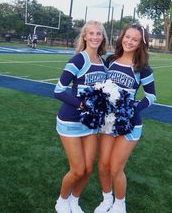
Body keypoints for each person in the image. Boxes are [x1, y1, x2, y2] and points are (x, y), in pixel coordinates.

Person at [94, 23, 156, 213]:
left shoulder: (142, 68)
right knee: (103, 165)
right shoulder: (110, 60)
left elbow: (151, 97)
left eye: (135, 39)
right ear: (122, 37)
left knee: (115, 168)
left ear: (140, 44)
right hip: (107, 122)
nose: (129, 41)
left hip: (129, 123)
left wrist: (133, 108)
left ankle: (120, 204)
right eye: (127, 37)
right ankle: (107, 199)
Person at [54, 20, 108, 213]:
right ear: (85, 36)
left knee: (87, 169)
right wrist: (83, 104)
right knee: (77, 169)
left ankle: (74, 201)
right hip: (70, 121)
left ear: (103, 38)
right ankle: (61, 200)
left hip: (91, 123)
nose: (95, 37)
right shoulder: (78, 60)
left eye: (98, 34)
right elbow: (58, 91)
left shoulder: (103, 63)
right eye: (91, 33)